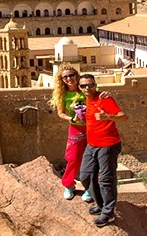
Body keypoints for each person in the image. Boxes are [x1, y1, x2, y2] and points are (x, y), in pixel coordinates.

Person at [78, 74, 128, 228]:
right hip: (92, 145)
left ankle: (108, 213)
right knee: (85, 175)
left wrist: (107, 116)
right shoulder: (84, 100)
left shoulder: (105, 99)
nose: (87, 88)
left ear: (95, 85)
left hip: (108, 145)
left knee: (106, 179)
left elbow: (124, 117)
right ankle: (100, 204)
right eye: (84, 86)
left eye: (90, 85)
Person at [49, 63, 91, 202]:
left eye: (71, 75)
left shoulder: (85, 88)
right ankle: (69, 185)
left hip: (92, 127)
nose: (68, 79)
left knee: (93, 158)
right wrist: (71, 117)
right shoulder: (63, 95)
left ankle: (90, 187)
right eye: (65, 77)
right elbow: (61, 113)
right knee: (73, 157)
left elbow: (98, 97)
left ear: (76, 75)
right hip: (76, 128)